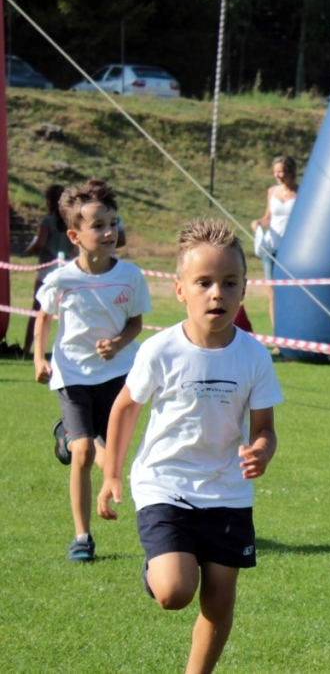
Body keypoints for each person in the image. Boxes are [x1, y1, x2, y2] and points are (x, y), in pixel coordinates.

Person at [98, 219, 283, 674]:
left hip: (227, 491)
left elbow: (265, 428)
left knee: (219, 600)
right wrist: (111, 475)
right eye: (204, 283)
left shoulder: (254, 356)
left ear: (244, 290)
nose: (217, 293)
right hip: (165, 484)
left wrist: (261, 451)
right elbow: (125, 408)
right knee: (175, 592)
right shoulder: (160, 350)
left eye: (230, 283)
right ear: (180, 289)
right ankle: (157, 568)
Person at [32, 180, 151, 561]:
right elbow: (43, 317)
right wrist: (39, 358)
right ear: (74, 235)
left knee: (109, 448)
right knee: (85, 451)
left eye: (113, 223)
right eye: (98, 225)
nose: (109, 232)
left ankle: (68, 436)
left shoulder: (130, 276)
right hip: (73, 374)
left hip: (117, 375)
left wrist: (118, 343)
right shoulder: (62, 279)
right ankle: (82, 538)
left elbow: (136, 322)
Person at [22, 184, 75, 355]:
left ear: (49, 201)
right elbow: (76, 249)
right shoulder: (71, 222)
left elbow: (40, 244)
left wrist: (29, 250)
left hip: (47, 268)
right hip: (67, 268)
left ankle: (27, 348)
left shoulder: (47, 221)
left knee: (38, 309)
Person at [250, 155, 298, 330]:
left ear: (290, 172)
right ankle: (277, 334)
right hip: (271, 248)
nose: (277, 175)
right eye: (275, 172)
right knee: (272, 292)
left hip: (291, 250)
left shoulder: (301, 192)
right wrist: (258, 223)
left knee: (291, 291)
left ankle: (292, 330)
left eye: (281, 172)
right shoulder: (272, 192)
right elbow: (268, 218)